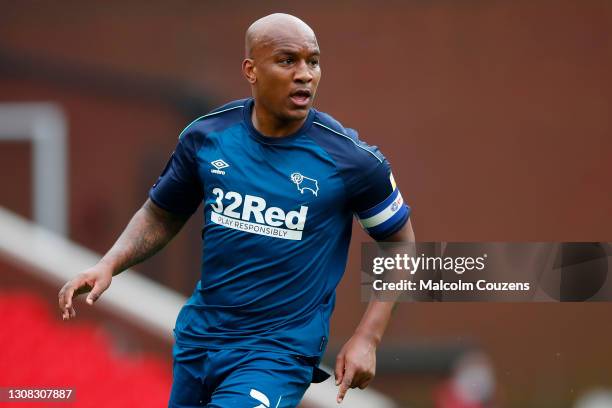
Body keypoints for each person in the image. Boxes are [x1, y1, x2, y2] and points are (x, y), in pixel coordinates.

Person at [58, 13, 415, 407]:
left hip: (277, 353)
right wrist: (108, 265)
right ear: (251, 69)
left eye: (312, 61)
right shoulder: (208, 137)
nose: (305, 74)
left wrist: (369, 337)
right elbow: (162, 213)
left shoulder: (352, 161)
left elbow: (400, 243)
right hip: (200, 341)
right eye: (287, 60)